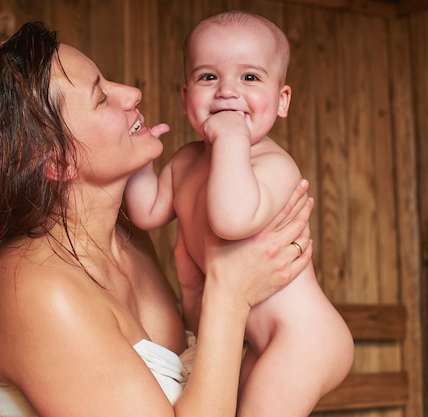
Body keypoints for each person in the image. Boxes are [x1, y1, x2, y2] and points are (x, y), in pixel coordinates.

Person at [0, 21, 317, 417]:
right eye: (101, 96)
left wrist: (197, 293)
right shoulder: (38, 292)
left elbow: (202, 373)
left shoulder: (129, 237)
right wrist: (230, 295)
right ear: (59, 160)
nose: (132, 93)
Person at [124, 10, 354, 416]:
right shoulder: (184, 162)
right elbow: (146, 212)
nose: (227, 91)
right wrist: (140, 161)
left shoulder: (273, 165)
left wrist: (231, 135)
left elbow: (231, 220)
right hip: (260, 341)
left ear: (282, 101)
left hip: (306, 339)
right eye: (208, 77)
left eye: (249, 77)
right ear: (185, 98)